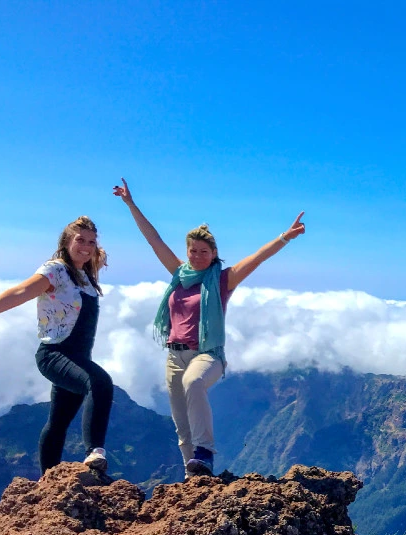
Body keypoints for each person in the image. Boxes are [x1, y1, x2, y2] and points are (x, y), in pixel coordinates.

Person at [113, 178, 306, 478]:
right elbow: (153, 240)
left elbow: (257, 258)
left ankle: (205, 453)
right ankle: (195, 479)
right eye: (193, 250)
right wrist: (130, 204)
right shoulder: (178, 274)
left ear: (214, 253)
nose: (198, 255)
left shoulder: (223, 280)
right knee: (182, 427)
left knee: (194, 382)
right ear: (187, 252)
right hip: (174, 357)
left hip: (208, 355)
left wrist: (285, 237)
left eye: (204, 251)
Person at [0, 217, 114, 474]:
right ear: (66, 242)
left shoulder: (86, 277)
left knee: (58, 422)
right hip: (55, 354)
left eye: (91, 242)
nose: (86, 247)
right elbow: (20, 292)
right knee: (99, 383)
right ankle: (94, 451)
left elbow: (95, 258)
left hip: (77, 357)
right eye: (80, 240)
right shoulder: (55, 270)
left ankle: (48, 481)